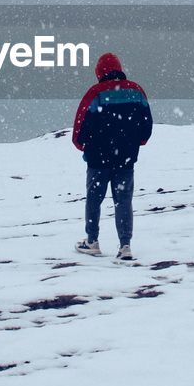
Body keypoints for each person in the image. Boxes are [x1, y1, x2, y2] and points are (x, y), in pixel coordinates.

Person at [71, 52, 152, 261]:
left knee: (94, 200)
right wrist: (135, 143)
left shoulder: (95, 93)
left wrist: (85, 146)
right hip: (125, 159)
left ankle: (92, 241)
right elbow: (146, 126)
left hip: (98, 159)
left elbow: (79, 128)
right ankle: (125, 245)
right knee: (123, 201)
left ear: (99, 72)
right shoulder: (136, 91)